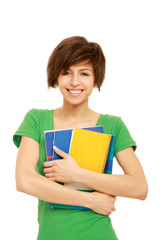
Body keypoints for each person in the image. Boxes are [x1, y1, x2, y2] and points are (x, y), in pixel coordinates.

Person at [13, 36, 148, 240]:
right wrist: (88, 200)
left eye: (84, 73)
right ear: (56, 77)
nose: (75, 81)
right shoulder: (36, 120)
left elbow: (139, 187)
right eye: (66, 72)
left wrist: (77, 174)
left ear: (96, 80)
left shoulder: (114, 125)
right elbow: (24, 181)